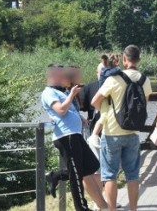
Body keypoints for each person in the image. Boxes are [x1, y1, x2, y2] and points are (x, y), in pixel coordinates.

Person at [92, 45, 153, 211]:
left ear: (124, 60)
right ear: (139, 60)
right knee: (132, 175)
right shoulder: (144, 80)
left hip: (111, 132)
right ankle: (133, 209)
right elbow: (143, 105)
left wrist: (107, 107)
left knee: (109, 175)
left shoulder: (114, 78)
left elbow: (94, 102)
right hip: (133, 133)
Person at [42, 64, 108, 211]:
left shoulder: (59, 91)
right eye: (61, 74)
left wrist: (80, 118)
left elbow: (69, 110)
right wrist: (71, 95)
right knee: (77, 175)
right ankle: (81, 207)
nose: (64, 77)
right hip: (67, 136)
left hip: (75, 134)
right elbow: (60, 110)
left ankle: (55, 176)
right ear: (52, 76)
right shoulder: (48, 93)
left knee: (91, 165)